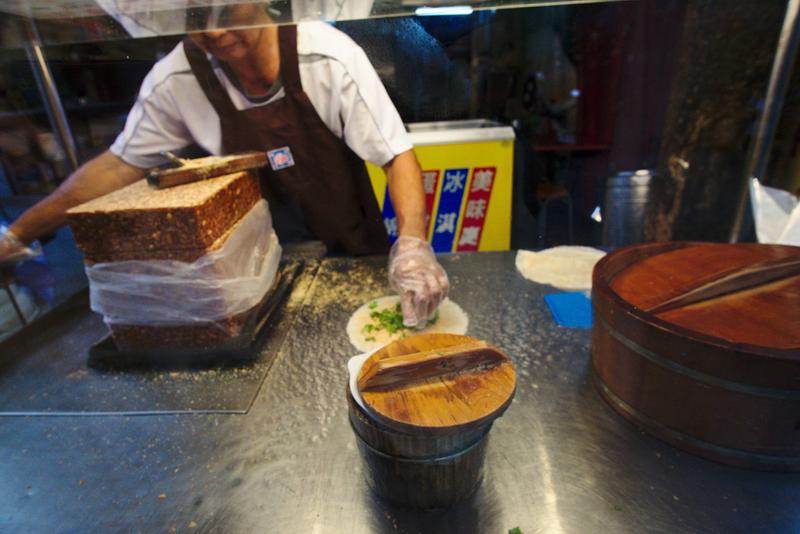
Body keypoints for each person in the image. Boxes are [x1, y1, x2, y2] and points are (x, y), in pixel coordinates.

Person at [0, 4, 447, 327]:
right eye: (195, 17)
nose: (212, 32)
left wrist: (412, 245)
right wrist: (18, 233)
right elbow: (118, 166)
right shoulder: (178, 78)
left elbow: (396, 156)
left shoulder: (326, 56)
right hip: (254, 282)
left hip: (351, 258)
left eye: (224, 9)